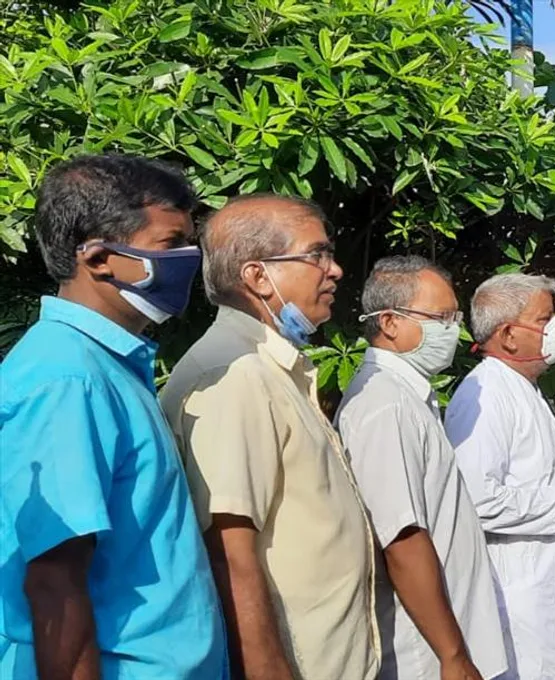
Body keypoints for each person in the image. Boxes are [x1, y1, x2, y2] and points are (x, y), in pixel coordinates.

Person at [0, 155, 227, 678]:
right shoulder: (66, 378)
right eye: (171, 245)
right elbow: (55, 581)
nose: (191, 259)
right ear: (101, 258)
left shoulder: (109, 364)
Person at [160, 194, 380, 679]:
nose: (336, 270)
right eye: (316, 254)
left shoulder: (274, 368)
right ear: (258, 276)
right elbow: (228, 552)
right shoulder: (232, 375)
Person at [337, 256, 507, 680]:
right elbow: (402, 538)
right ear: (390, 322)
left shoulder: (409, 397)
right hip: (424, 657)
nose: (453, 330)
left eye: (454, 318)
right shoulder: (384, 405)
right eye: (441, 318)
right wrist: (451, 654)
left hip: (449, 644)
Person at [443, 273, 555, 680]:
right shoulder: (483, 394)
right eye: (544, 319)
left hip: (546, 598)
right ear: (509, 335)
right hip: (519, 605)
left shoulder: (520, 389)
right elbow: (475, 501)